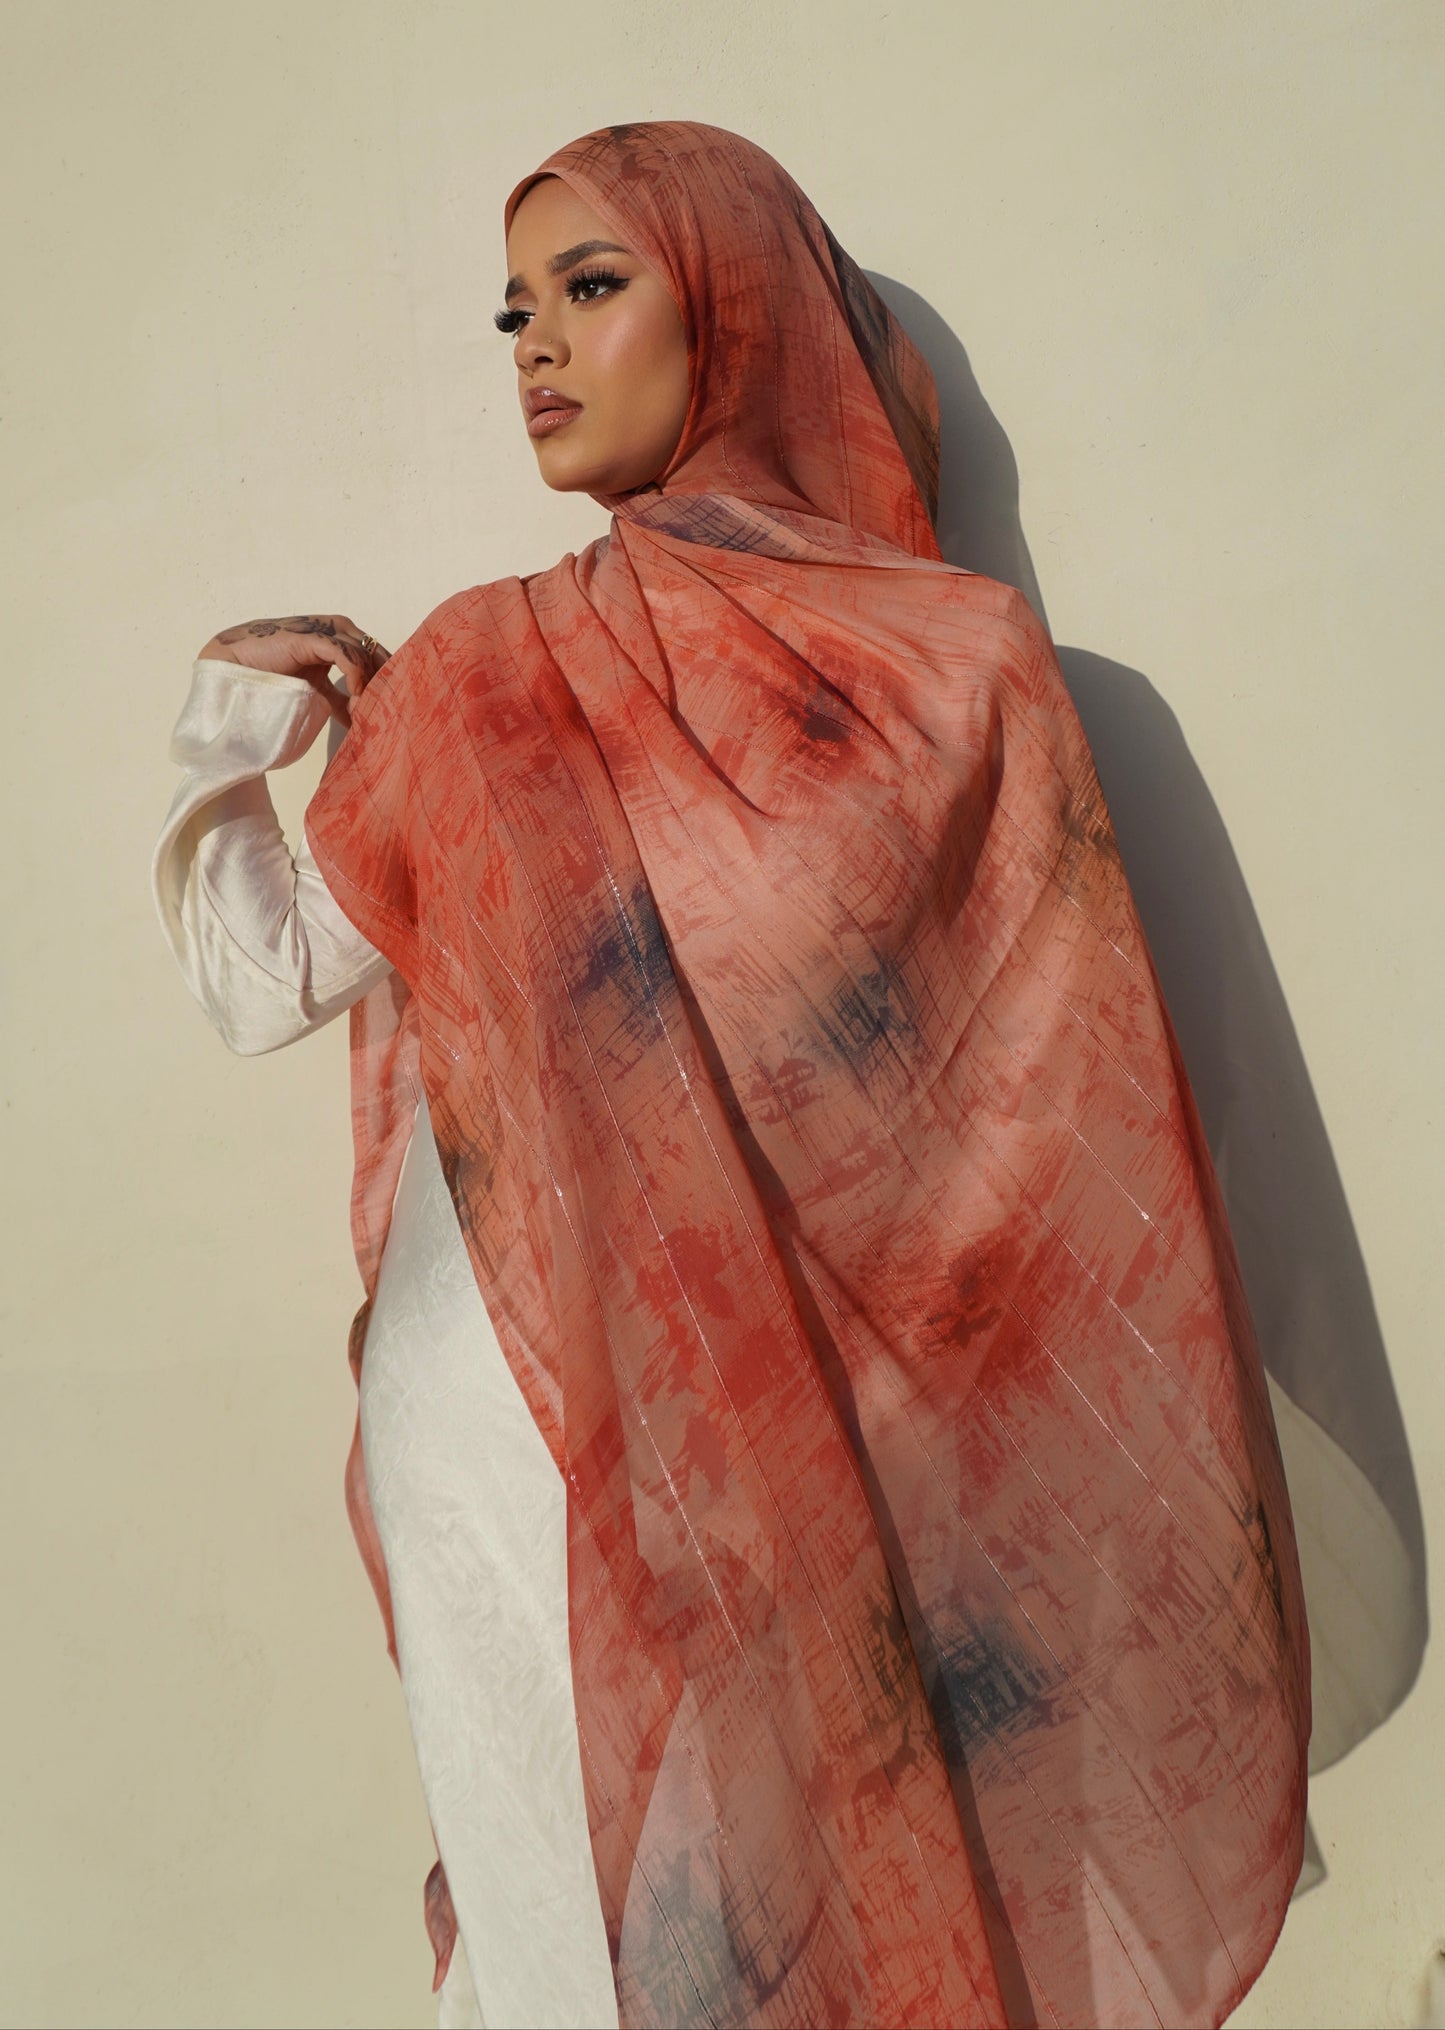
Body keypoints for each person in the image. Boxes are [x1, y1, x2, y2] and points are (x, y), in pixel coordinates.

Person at [153, 121, 1310, 2030]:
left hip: (825, 1455)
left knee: (782, 1936)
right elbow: (265, 980)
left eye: (592, 287)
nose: (536, 343)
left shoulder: (958, 673)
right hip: (502, 1430)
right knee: (566, 1930)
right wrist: (225, 743)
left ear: (738, 312)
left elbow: (1044, 1139)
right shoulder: (479, 678)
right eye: (513, 311)